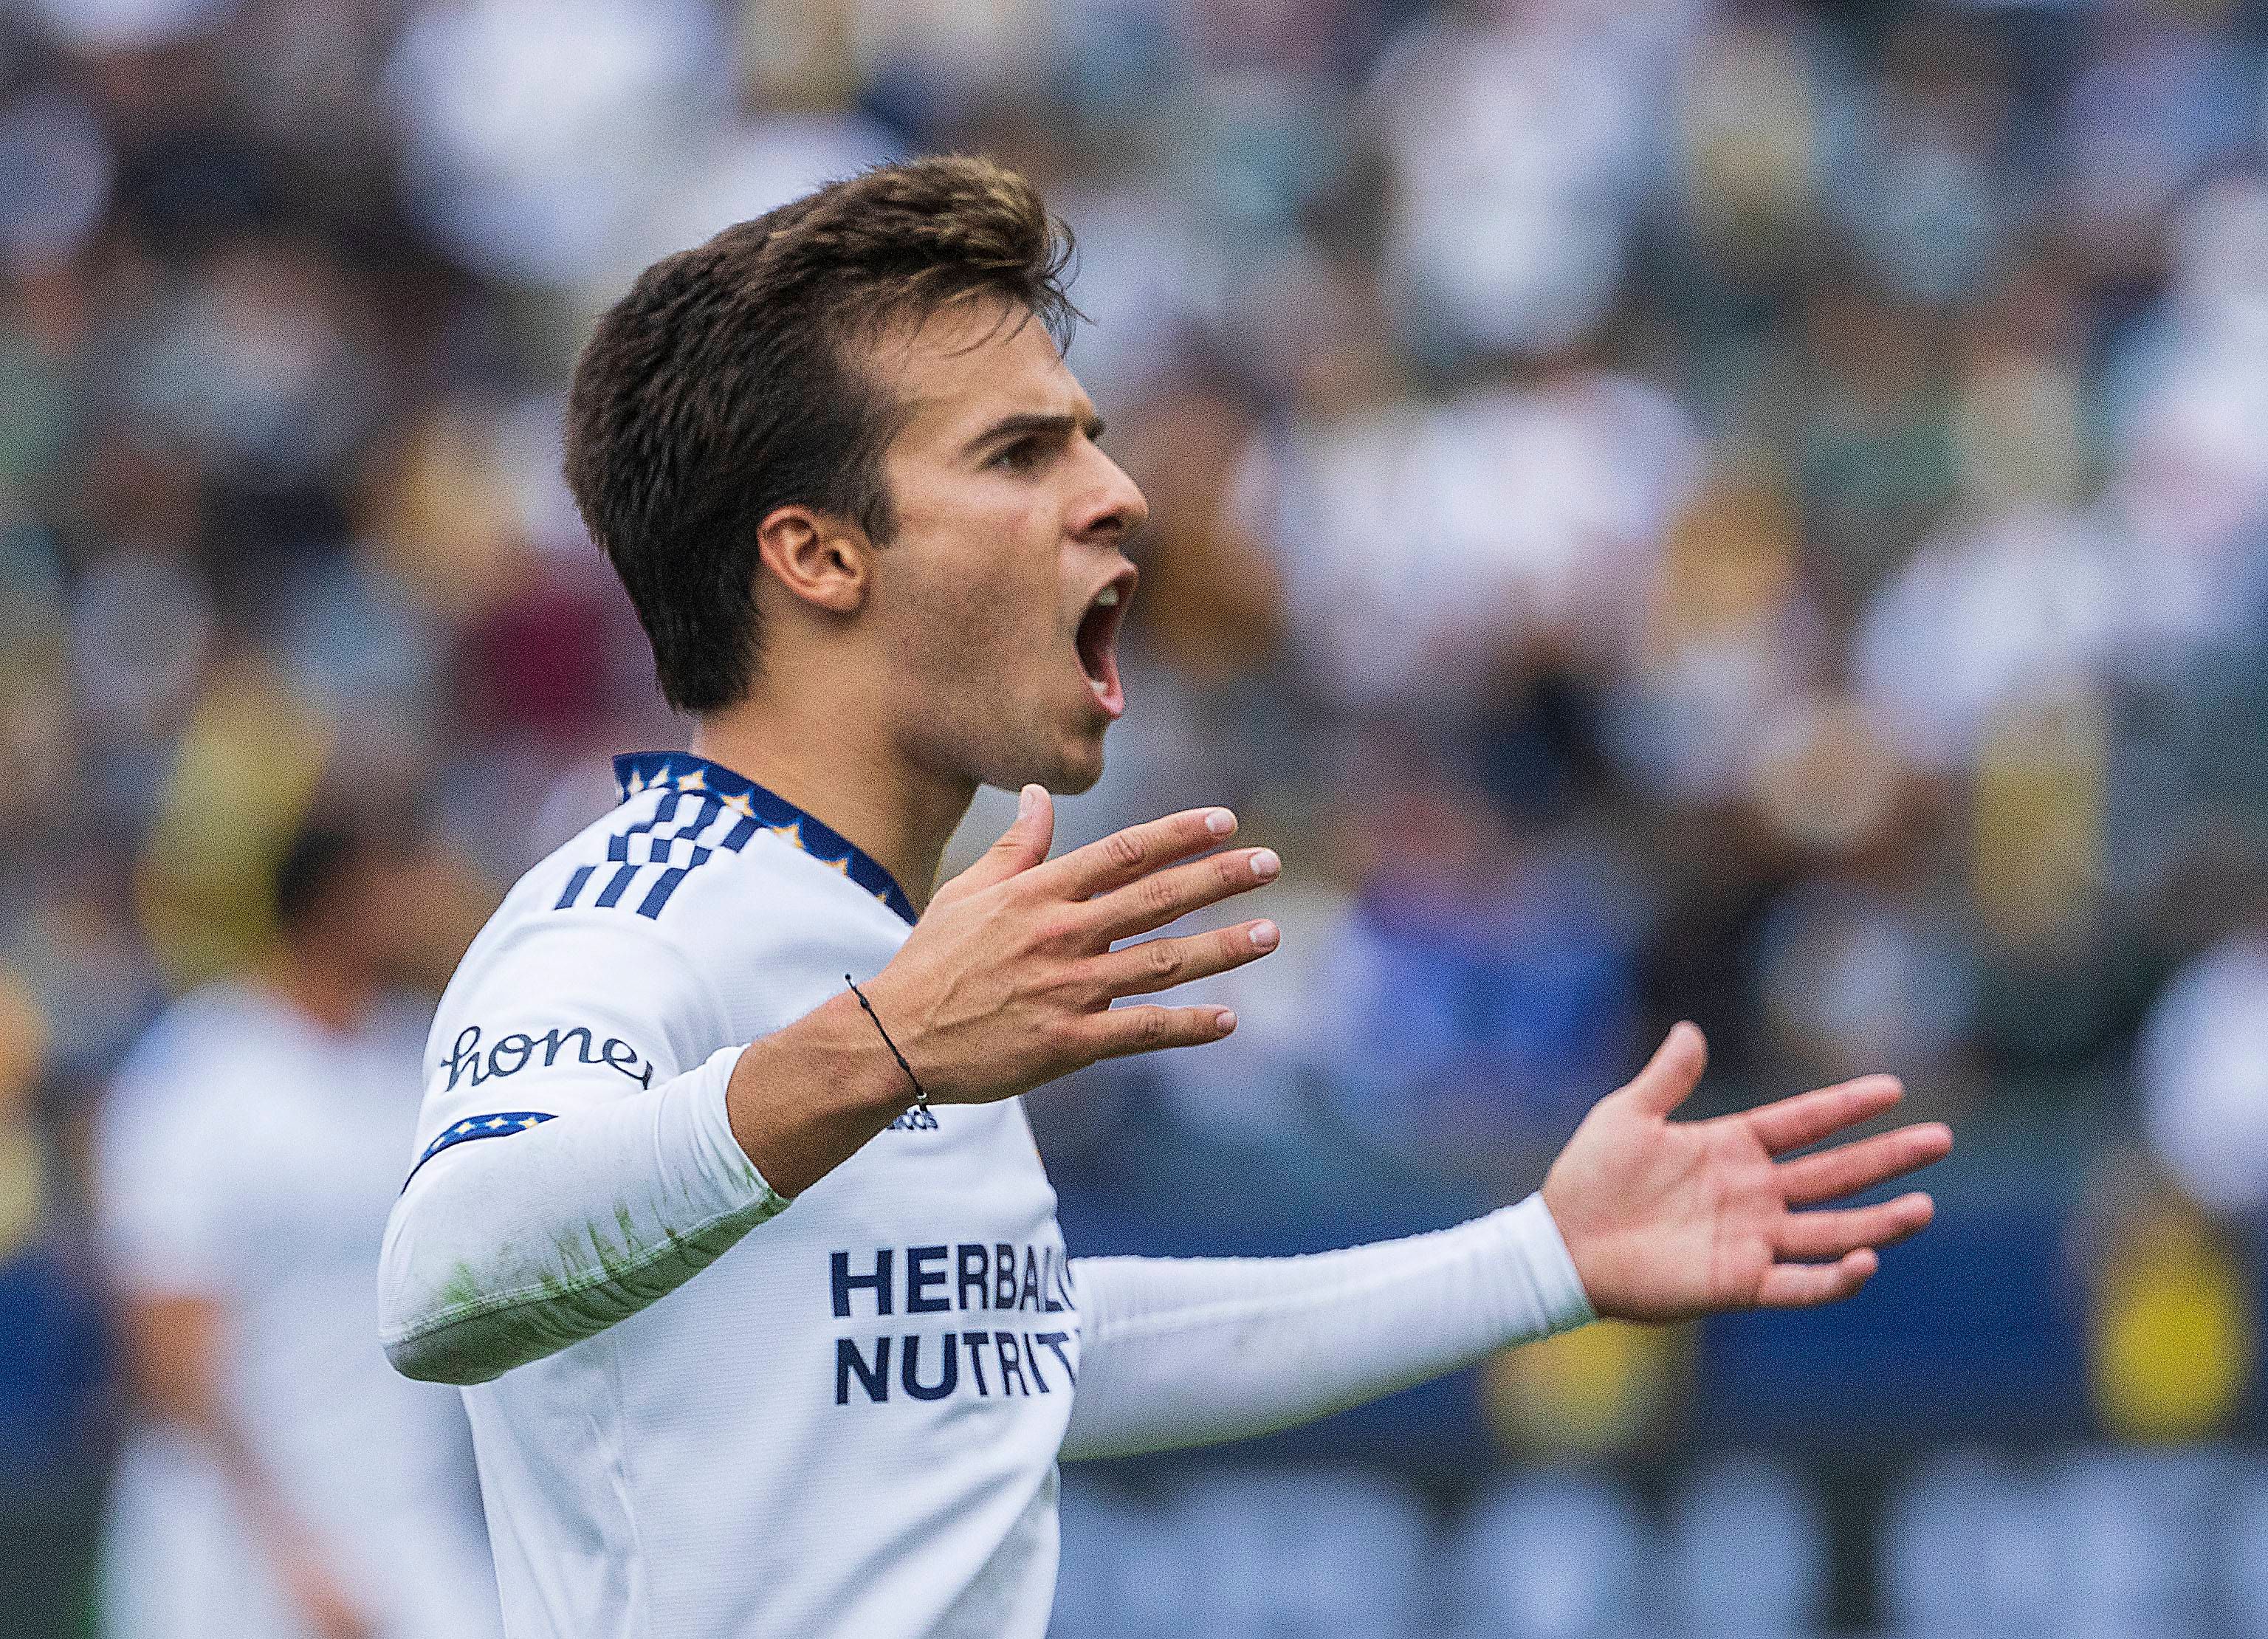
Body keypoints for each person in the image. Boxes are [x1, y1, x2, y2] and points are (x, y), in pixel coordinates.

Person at [378, 156, 1952, 1639]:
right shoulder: (635, 917)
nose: (1119, 491)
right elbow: (444, 1277)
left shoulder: (896, 942)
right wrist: (886, 1042)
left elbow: (1014, 1349)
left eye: (1089, 434)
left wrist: (1537, 1258)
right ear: (817, 555)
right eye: (1020, 452)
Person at [97, 813, 502, 1639]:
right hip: (232, 1550)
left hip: (414, 1525)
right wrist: (291, 1556)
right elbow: (171, 1354)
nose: (433, 907)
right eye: (407, 886)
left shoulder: (418, 1067)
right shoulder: (203, 1076)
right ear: (343, 903)